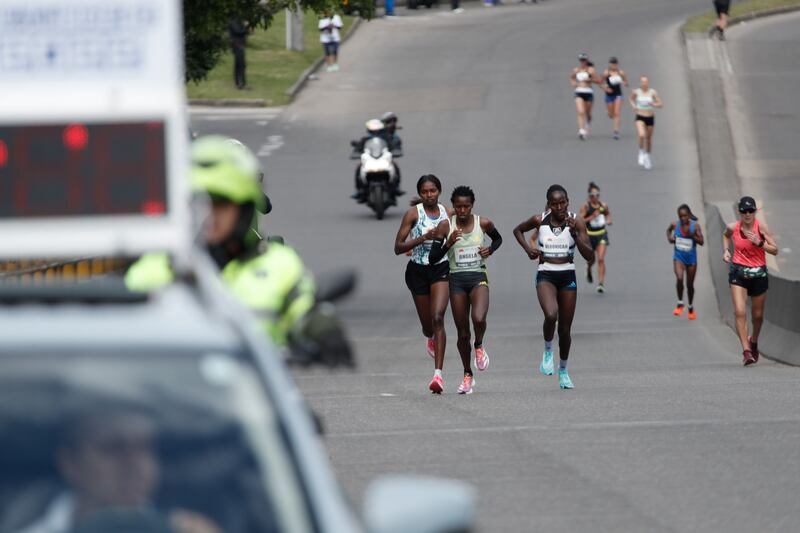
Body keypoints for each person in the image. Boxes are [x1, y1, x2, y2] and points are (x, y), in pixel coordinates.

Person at [125, 136, 352, 368]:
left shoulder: (278, 264)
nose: (209, 215)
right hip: (174, 395)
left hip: (253, 394)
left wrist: (322, 324)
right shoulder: (155, 268)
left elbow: (301, 305)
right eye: (198, 203)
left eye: (221, 204)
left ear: (243, 207)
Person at [13, 406, 220, 533]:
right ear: (69, 463)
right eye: (114, 448)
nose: (135, 464)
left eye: (145, 447)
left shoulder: (184, 529)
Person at [513, 185, 593, 389]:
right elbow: (518, 230)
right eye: (554, 203)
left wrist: (575, 234)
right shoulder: (539, 220)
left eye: (562, 202)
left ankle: (563, 371)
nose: (559, 207)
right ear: (549, 204)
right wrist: (528, 249)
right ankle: (548, 351)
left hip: (568, 275)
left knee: (565, 329)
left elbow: (590, 256)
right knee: (551, 315)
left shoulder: (577, 221)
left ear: (568, 201)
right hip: (546, 274)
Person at [428, 186, 502, 395]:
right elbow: (433, 258)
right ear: (453, 206)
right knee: (462, 334)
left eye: (466, 206)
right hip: (456, 281)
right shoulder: (445, 226)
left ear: (472, 205)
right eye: (458, 206)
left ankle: (479, 345)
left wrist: (490, 249)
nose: (462, 210)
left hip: (478, 277)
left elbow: (498, 239)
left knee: (478, 319)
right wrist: (447, 244)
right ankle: (467, 374)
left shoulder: (483, 223)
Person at [393, 175, 453, 394]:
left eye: (433, 190)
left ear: (439, 191)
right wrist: (423, 238)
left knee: (438, 317)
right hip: (417, 271)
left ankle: (438, 375)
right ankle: (429, 336)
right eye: (425, 192)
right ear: (420, 194)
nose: (429, 195)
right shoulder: (413, 214)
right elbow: (398, 247)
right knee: (428, 326)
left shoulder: (448, 212)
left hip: (440, 269)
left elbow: (466, 224)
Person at [722, 196, 779, 366]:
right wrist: (726, 251)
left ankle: (753, 341)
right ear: (739, 212)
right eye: (744, 211)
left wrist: (759, 243)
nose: (747, 214)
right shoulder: (733, 227)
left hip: (758, 273)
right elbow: (725, 236)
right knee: (739, 311)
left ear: (755, 211)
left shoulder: (760, 227)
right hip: (738, 272)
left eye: (751, 211)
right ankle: (746, 351)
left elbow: (775, 250)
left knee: (758, 316)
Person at [667, 204, 705, 320]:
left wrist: (693, 236)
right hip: (679, 257)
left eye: (684, 216)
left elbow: (702, 242)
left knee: (689, 285)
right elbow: (668, 231)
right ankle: (680, 303)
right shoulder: (675, 225)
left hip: (691, 259)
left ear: (688, 215)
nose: (682, 218)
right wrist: (670, 238)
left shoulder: (695, 226)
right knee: (679, 278)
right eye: (680, 216)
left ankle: (690, 307)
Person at [579, 182, 611, 293]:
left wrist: (609, 220)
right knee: (591, 260)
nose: (595, 197)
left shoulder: (604, 205)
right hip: (589, 236)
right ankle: (588, 269)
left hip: (601, 233)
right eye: (593, 195)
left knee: (601, 258)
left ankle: (601, 284)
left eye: (597, 195)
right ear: (589, 196)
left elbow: (607, 214)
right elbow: (580, 221)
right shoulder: (586, 206)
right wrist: (592, 217)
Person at [629, 76, 663, 170]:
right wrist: (634, 106)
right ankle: (640, 152)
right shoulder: (637, 91)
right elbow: (631, 99)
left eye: (646, 82)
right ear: (640, 83)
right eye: (642, 82)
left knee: (648, 139)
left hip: (650, 117)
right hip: (640, 116)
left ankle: (647, 156)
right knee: (641, 135)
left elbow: (661, 104)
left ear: (648, 83)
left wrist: (653, 104)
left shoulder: (652, 92)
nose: (644, 84)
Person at [570, 53, 600, 140]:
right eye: (581, 60)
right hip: (579, 91)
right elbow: (571, 77)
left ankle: (587, 124)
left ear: (587, 61)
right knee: (580, 111)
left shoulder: (591, 70)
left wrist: (590, 79)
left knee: (588, 113)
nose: (582, 62)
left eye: (584, 60)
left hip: (588, 92)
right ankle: (581, 131)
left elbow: (598, 80)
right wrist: (573, 83)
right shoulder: (576, 70)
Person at [601, 57, 628, 140]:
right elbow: (601, 82)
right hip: (609, 95)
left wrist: (624, 83)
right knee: (611, 114)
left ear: (617, 65)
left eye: (615, 64)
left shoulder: (621, 73)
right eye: (612, 64)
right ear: (610, 65)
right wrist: (606, 88)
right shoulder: (606, 73)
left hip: (618, 94)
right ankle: (609, 112)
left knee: (617, 113)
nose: (613, 66)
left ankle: (616, 132)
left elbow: (626, 82)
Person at [229, 17, 248, 90]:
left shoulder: (237, 21)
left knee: (239, 65)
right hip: (237, 45)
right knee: (241, 65)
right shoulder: (234, 22)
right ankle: (241, 83)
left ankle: (239, 82)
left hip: (239, 45)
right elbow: (238, 31)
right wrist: (246, 27)